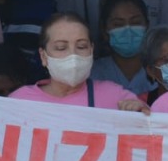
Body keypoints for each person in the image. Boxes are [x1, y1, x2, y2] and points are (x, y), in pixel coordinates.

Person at [8, 13, 149, 112]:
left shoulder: (115, 97)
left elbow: (149, 134)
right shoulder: (20, 101)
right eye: (61, 48)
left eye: (81, 46)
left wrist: (139, 114)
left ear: (92, 50)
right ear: (43, 56)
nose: (73, 55)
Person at [90, 0, 154, 96]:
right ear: (104, 30)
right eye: (118, 24)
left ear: (147, 26)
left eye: (135, 22)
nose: (128, 30)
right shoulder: (92, 74)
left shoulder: (162, 71)